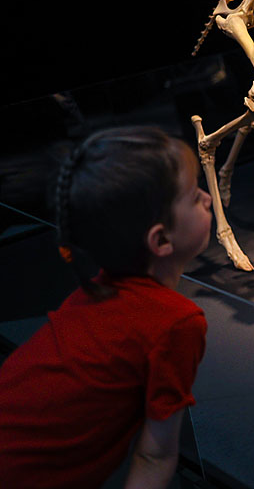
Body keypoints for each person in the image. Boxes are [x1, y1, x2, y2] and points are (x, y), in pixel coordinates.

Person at [0, 126, 212, 488]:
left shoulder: (91, 291)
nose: (208, 199)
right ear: (160, 239)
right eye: (194, 197)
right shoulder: (178, 323)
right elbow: (154, 455)